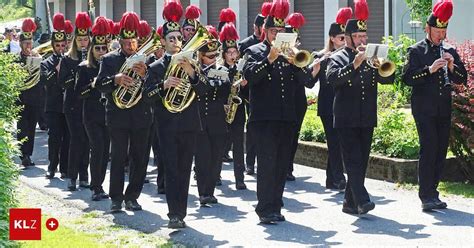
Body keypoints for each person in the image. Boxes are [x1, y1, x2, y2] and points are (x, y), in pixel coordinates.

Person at [243, 0, 313, 224]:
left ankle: (276, 204)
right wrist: (269, 59)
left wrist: (296, 63)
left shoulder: (291, 55)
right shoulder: (253, 51)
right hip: (263, 119)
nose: (278, 35)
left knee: (282, 163)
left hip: (286, 118)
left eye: (282, 31)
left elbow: (309, 81)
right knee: (267, 163)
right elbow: (251, 77)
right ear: (266, 31)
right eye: (274, 31)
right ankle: (265, 208)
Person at [144, 0, 209, 229]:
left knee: (184, 168)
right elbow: (147, 95)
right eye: (171, 39)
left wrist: (191, 72)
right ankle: (174, 213)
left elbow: (204, 89)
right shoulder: (156, 68)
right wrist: (164, 85)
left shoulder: (191, 62)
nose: (175, 42)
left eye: (178, 38)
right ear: (163, 41)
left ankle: (182, 211)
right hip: (166, 125)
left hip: (189, 124)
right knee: (171, 168)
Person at [326, 0, 395, 215]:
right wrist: (354, 65)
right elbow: (332, 80)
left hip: (366, 116)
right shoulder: (337, 57)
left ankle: (349, 202)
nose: (362, 40)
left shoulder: (371, 57)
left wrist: (382, 63)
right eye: (358, 37)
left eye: (364, 37)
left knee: (362, 161)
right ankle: (362, 200)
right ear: (347, 39)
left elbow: (388, 79)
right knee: (353, 160)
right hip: (345, 118)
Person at [401, 0, 467, 212]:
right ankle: (425, 195)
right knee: (428, 148)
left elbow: (462, 79)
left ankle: (434, 192)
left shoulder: (449, 50)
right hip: (424, 108)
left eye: (444, 30)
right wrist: (428, 70)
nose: (441, 35)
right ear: (427, 28)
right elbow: (407, 78)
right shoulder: (416, 51)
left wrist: (451, 65)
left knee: (440, 151)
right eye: (437, 30)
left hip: (443, 108)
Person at [96, 11, 152, 212]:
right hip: (117, 115)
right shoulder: (109, 60)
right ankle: (116, 198)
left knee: (139, 157)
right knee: (118, 156)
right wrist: (115, 79)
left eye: (134, 41)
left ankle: (132, 197)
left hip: (141, 115)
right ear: (120, 41)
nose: (130, 45)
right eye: (127, 42)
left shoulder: (147, 59)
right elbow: (100, 84)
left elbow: (154, 87)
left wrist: (145, 74)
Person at [313, 7, 352, 190]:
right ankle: (338, 178)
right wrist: (319, 64)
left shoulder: (348, 57)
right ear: (332, 38)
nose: (344, 42)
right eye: (341, 38)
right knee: (334, 142)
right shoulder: (321, 56)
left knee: (338, 142)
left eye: (346, 38)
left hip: (343, 104)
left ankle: (331, 178)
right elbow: (309, 81)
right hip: (328, 105)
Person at [76, 16, 111, 201]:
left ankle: (100, 184)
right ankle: (95, 186)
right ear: (92, 50)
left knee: (105, 151)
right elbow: (78, 93)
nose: (100, 51)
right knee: (97, 148)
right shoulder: (84, 67)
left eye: (103, 48)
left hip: (108, 115)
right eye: (97, 48)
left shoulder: (110, 66)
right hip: (91, 115)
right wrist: (93, 85)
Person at [194, 25, 230, 205]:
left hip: (217, 119)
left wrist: (227, 80)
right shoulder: (195, 71)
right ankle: (203, 192)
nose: (214, 59)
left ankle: (210, 190)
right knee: (202, 158)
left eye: (216, 55)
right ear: (201, 56)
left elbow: (227, 92)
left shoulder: (222, 70)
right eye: (210, 56)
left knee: (216, 157)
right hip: (200, 119)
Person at [58, 12, 92, 191]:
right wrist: (76, 75)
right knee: (76, 139)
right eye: (79, 39)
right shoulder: (67, 59)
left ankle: (84, 176)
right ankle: (72, 176)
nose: (83, 43)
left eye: (85, 39)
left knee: (86, 140)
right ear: (75, 40)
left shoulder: (91, 59)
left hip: (87, 105)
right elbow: (62, 82)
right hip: (72, 104)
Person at [238, 1, 272, 175]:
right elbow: (241, 65)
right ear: (257, 27)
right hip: (247, 91)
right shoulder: (247, 45)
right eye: (262, 26)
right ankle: (250, 162)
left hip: (265, 91)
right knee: (251, 127)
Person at [41, 13, 69, 180]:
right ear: (52, 46)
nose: (60, 48)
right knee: (54, 137)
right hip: (53, 106)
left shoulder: (70, 60)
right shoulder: (46, 63)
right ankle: (52, 166)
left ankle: (64, 168)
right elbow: (46, 81)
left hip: (68, 106)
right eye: (57, 45)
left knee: (68, 138)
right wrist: (57, 69)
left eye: (62, 45)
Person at [219, 22, 247, 190]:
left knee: (238, 145)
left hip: (238, 111)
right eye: (229, 52)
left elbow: (248, 93)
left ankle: (240, 178)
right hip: (222, 111)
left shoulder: (241, 68)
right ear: (224, 54)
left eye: (234, 52)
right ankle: (215, 175)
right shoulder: (219, 69)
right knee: (219, 145)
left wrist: (245, 85)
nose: (232, 55)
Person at [16, 18, 42, 168]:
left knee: (31, 128)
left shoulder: (37, 57)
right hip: (20, 99)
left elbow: (42, 78)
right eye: (26, 43)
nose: (28, 46)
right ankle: (23, 155)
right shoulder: (16, 60)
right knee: (22, 127)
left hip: (34, 98)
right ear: (20, 44)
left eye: (30, 43)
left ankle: (29, 154)